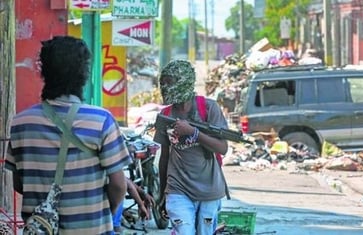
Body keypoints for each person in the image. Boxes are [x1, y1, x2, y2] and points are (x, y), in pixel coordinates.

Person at [5, 36, 131, 234]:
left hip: (41, 229)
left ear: (44, 71)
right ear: (84, 73)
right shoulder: (102, 121)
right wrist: (104, 214)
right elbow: (118, 186)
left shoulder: (21, 123)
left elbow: (20, 184)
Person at [154, 60, 229, 235]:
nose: (165, 87)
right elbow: (164, 157)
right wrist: (163, 194)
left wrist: (194, 133)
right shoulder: (165, 116)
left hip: (209, 190)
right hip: (177, 189)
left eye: (169, 83)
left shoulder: (209, 108)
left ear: (184, 83)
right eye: (163, 82)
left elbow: (222, 148)